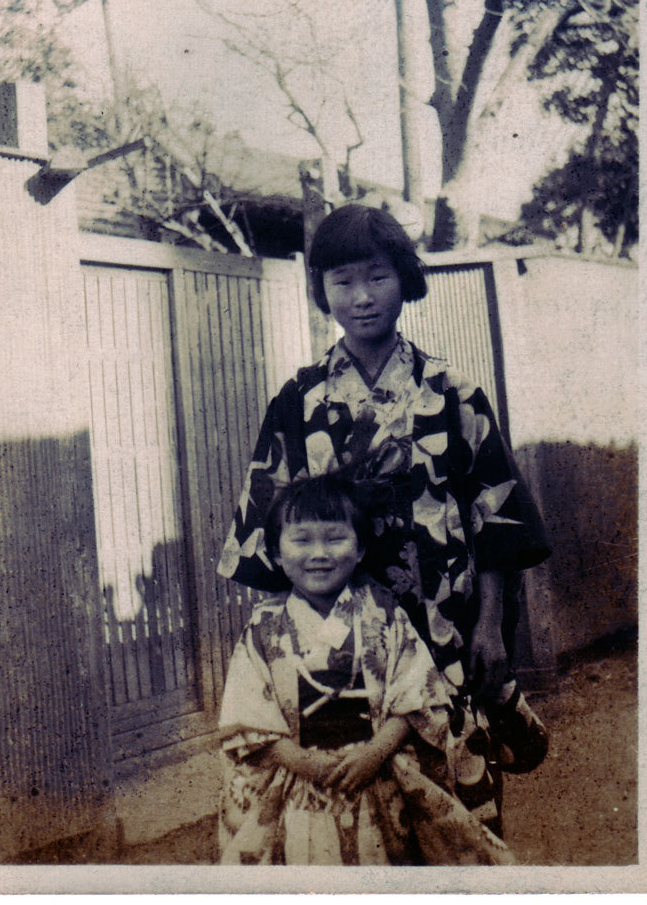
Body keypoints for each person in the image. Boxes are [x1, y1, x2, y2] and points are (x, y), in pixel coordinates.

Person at [218, 202, 551, 835]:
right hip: (336, 662)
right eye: (341, 281)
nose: (361, 297)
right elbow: (268, 543)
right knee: (358, 826)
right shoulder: (299, 400)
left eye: (377, 276)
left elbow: (498, 527)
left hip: (444, 634)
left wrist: (488, 628)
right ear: (321, 290)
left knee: (459, 821)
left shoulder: (453, 395)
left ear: (404, 279)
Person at [217, 473, 515, 865]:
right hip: (298, 785)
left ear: (359, 549)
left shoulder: (385, 617)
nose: (319, 553)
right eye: (301, 540)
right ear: (276, 552)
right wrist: (305, 763)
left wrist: (375, 752)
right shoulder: (262, 629)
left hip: (378, 776)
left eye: (334, 538)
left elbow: (418, 695)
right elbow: (247, 719)